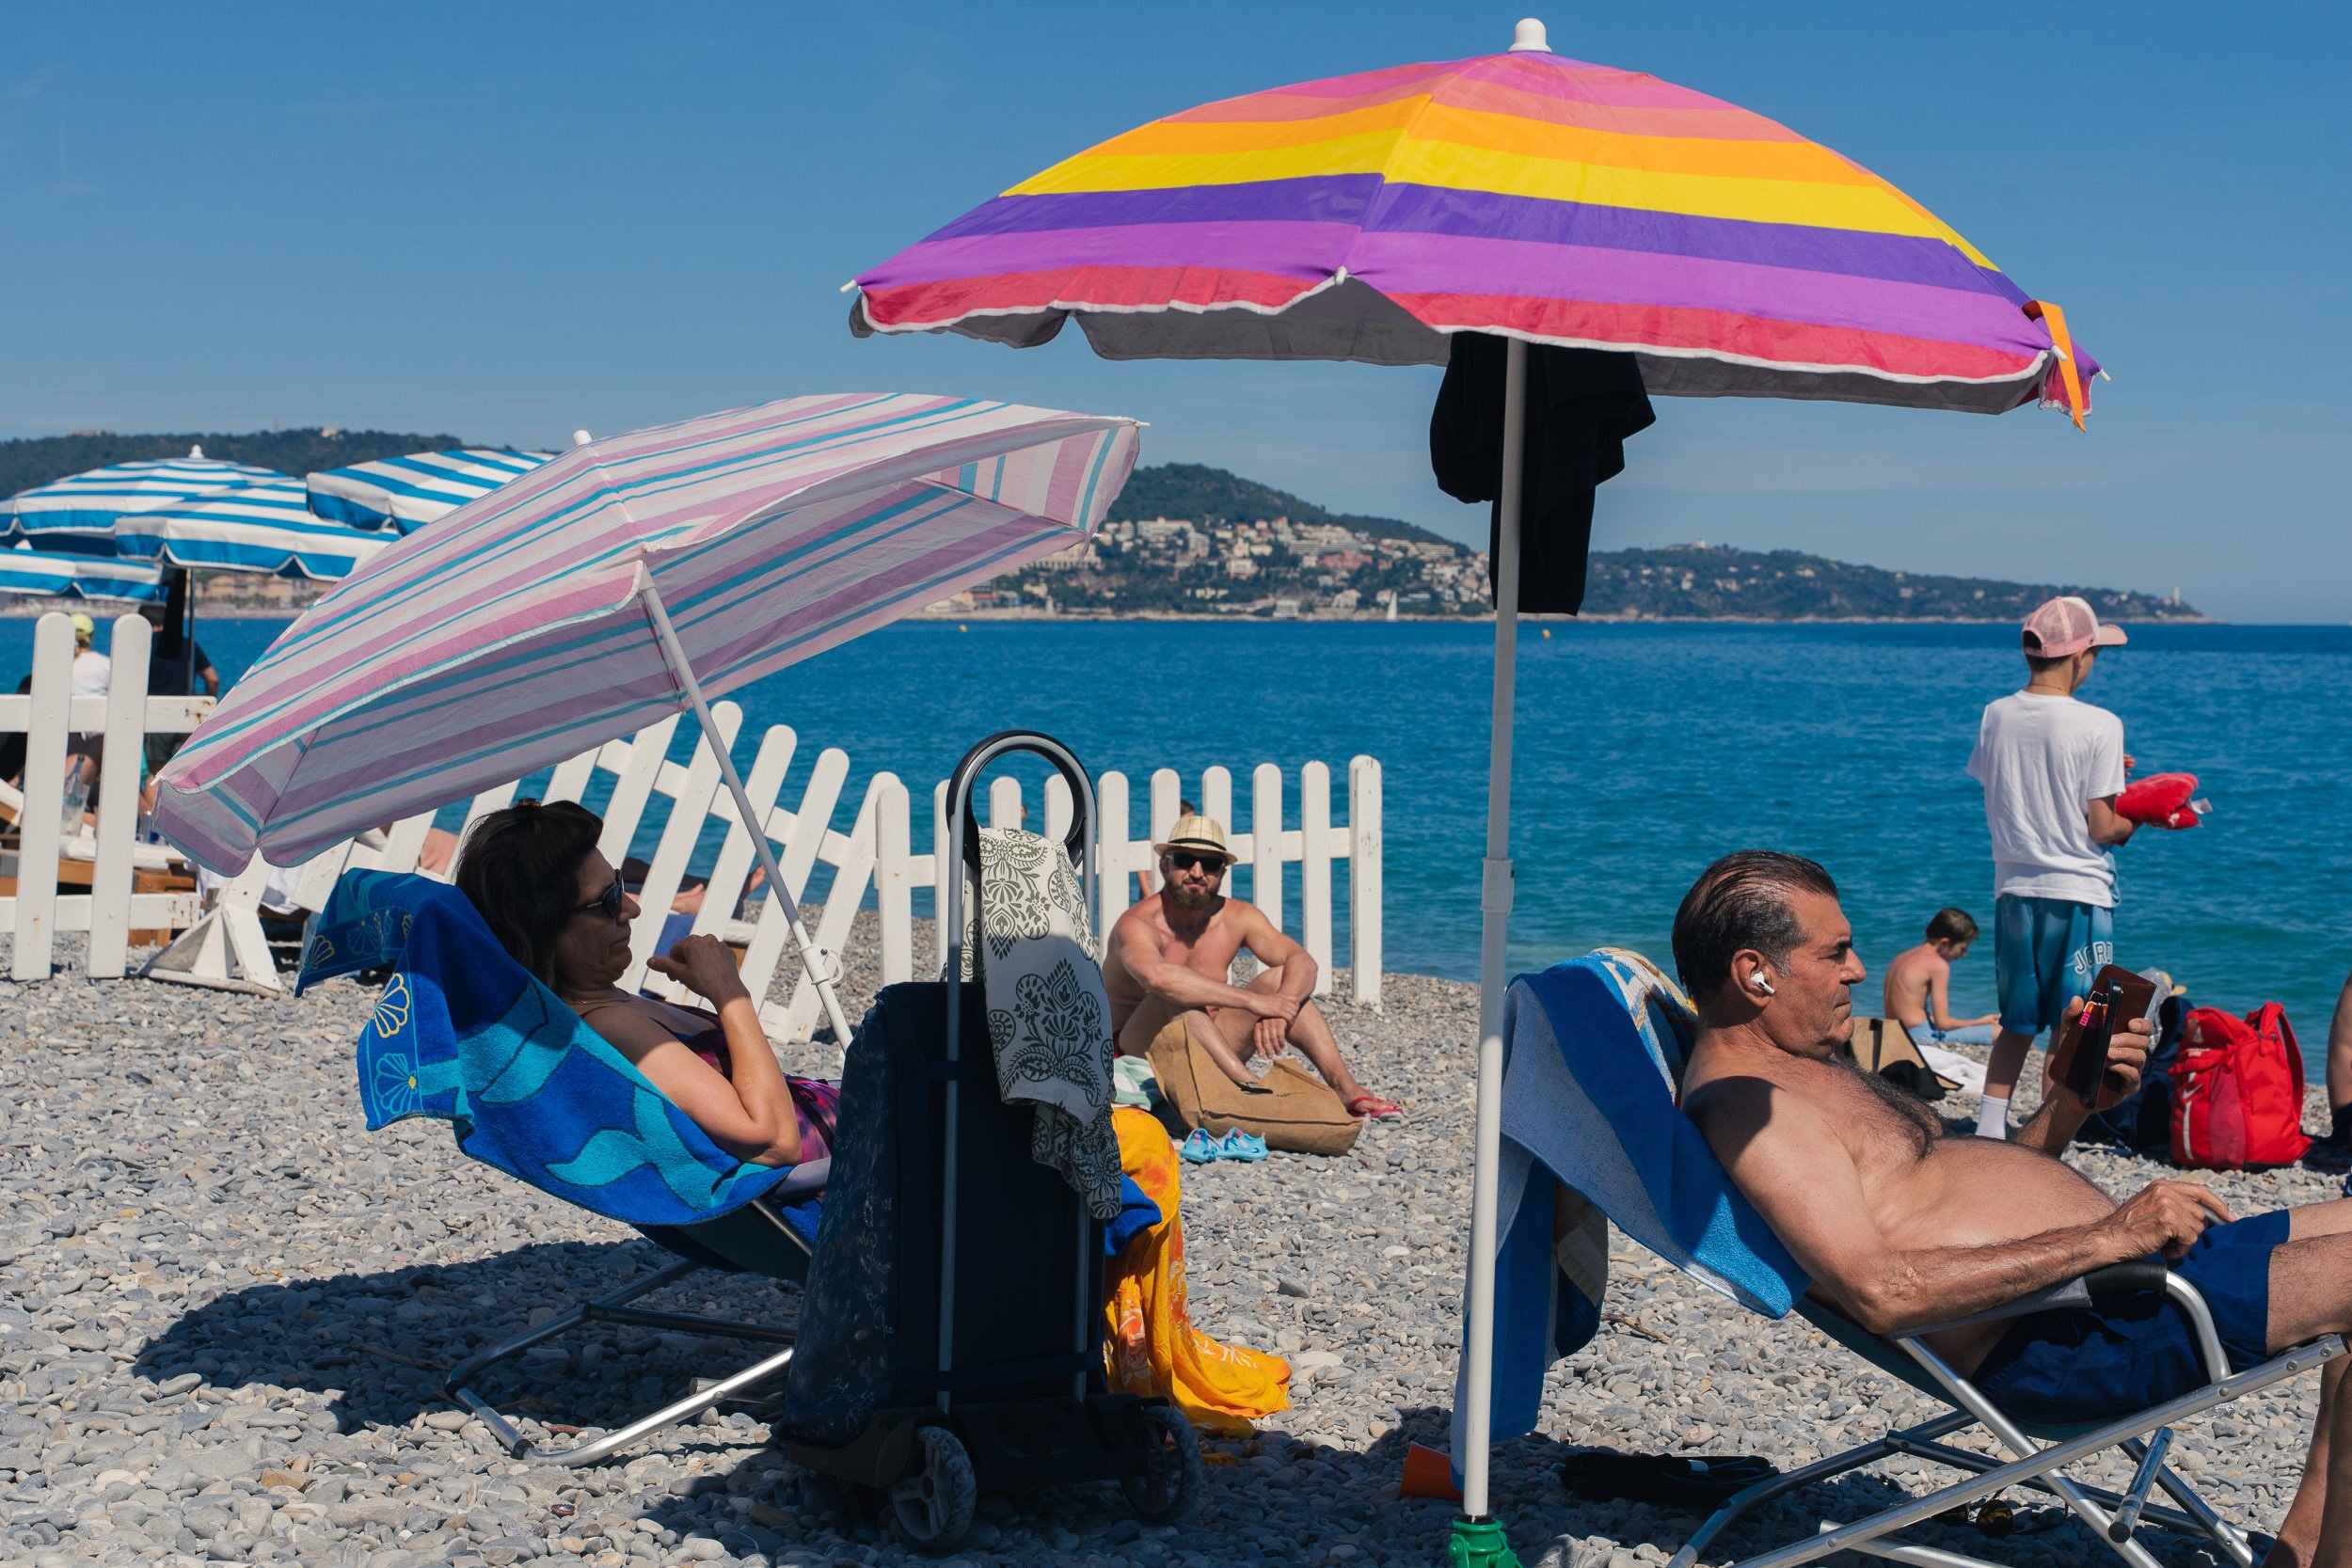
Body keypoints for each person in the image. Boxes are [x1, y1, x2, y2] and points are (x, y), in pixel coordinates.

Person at [1675, 851, 2352, 1568]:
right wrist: (2108, 1237)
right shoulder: (1754, 1108)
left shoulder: (1801, 1073)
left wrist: (2068, 1105)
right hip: (2079, 1338)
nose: (1857, 969)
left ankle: (2306, 1550)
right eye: (1835, 951)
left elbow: (1955, 1194)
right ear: (1756, 972)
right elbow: (1881, 1290)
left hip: (2122, 1283)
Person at [453, 800, 805, 1166]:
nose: (631, 909)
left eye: (619, 885)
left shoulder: (601, 1003)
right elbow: (775, 1142)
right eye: (607, 901)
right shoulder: (608, 1026)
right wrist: (731, 995)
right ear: (545, 928)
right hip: (843, 1166)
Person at [1966, 594, 2136, 1139]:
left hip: (2013, 888)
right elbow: (2103, 827)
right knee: (2079, 1020)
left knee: (2017, 1022)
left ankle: (1990, 1129)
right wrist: (2147, 816)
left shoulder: (1997, 713)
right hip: (2079, 889)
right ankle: (2051, 1130)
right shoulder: (2101, 724)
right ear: (2080, 656)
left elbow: (2014, 779)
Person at [1103, 812, 1400, 1121]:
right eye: (1184, 859)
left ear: (1223, 872)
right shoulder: (1138, 923)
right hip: (1136, 1052)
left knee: (1282, 979)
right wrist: (1255, 1001)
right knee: (1174, 995)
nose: (1197, 871)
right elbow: (1157, 976)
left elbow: (1303, 962)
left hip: (1214, 1048)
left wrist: (1279, 1007)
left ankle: (1346, 1089)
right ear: (1165, 866)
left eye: (1211, 864)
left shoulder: (1238, 917)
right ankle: (1251, 1088)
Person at [1882, 908, 2002, 1049]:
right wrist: (1981, 1021)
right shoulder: (1938, 965)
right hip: (1919, 1036)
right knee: (2002, 1032)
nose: (1964, 954)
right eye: (1962, 948)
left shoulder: (1902, 957)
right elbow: (1943, 1024)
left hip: (1895, 1032)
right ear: (1945, 943)